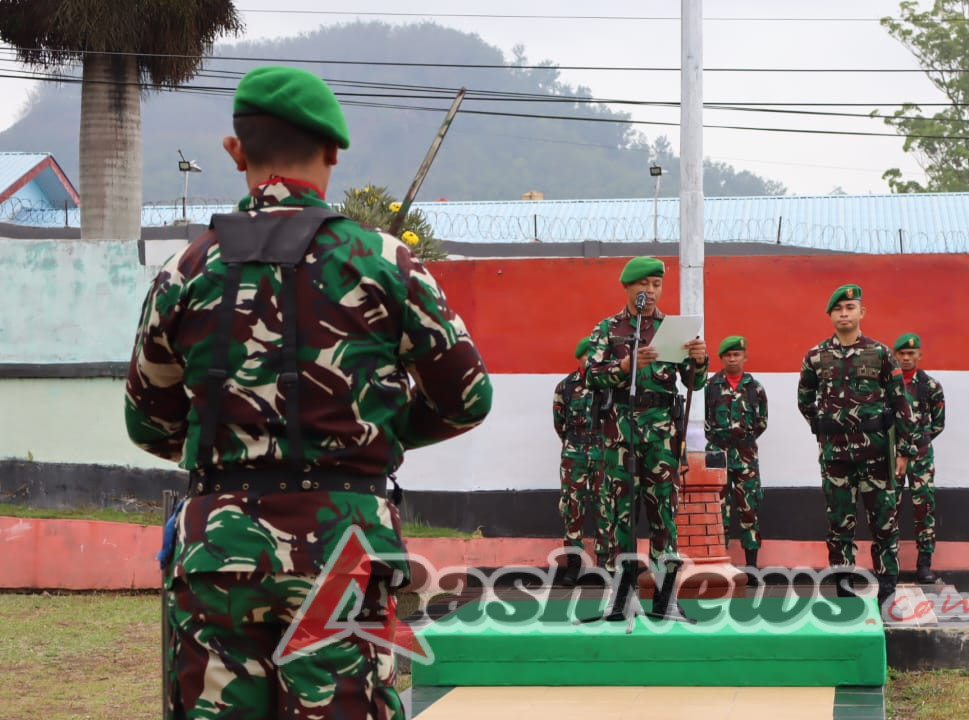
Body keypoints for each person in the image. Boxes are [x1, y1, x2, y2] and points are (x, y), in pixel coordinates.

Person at [125, 66, 492, 720]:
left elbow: (148, 422)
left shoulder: (183, 271)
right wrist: (374, 429)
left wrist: (226, 442)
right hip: (343, 549)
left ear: (235, 150)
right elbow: (467, 396)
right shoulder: (384, 261)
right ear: (333, 151)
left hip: (218, 552)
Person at [583, 256, 707, 601]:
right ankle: (621, 597)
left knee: (663, 511)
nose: (650, 292)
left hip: (661, 434)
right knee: (619, 512)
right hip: (621, 431)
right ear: (628, 287)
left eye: (656, 285)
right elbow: (591, 376)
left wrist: (699, 360)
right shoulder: (609, 329)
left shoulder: (673, 329)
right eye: (644, 285)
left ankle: (665, 597)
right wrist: (625, 365)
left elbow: (693, 384)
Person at [797, 284, 917, 607]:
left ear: (862, 313)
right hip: (835, 456)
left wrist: (904, 450)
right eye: (838, 309)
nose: (844, 314)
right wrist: (824, 430)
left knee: (884, 523)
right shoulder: (815, 357)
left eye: (850, 308)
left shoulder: (880, 354)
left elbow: (900, 403)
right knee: (839, 523)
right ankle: (844, 589)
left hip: (876, 454)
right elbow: (804, 400)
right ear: (831, 316)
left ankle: (888, 589)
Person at [704, 335, 768, 577]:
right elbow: (704, 421)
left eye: (737, 354)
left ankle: (751, 567)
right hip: (718, 456)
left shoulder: (755, 388)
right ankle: (720, 563)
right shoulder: (710, 388)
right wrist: (722, 437)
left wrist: (742, 438)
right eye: (728, 355)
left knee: (748, 510)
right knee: (718, 511)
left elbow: (762, 422)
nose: (733, 359)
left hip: (746, 457)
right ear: (721, 359)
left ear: (744, 357)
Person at [552, 336, 608, 584]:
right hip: (574, 452)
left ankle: (605, 565)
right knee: (572, 508)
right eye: (590, 356)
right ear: (580, 357)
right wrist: (574, 442)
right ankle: (573, 566)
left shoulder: (608, 385)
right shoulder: (565, 386)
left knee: (605, 506)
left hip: (603, 451)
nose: (594, 360)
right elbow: (559, 423)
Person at [893, 332, 946, 584]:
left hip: (922, 457)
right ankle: (888, 564)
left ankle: (924, 565)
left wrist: (916, 446)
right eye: (901, 354)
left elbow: (938, 424)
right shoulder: (888, 386)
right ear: (895, 356)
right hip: (891, 458)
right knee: (888, 508)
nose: (906, 358)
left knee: (924, 508)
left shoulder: (930, 386)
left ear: (919, 355)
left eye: (910, 354)